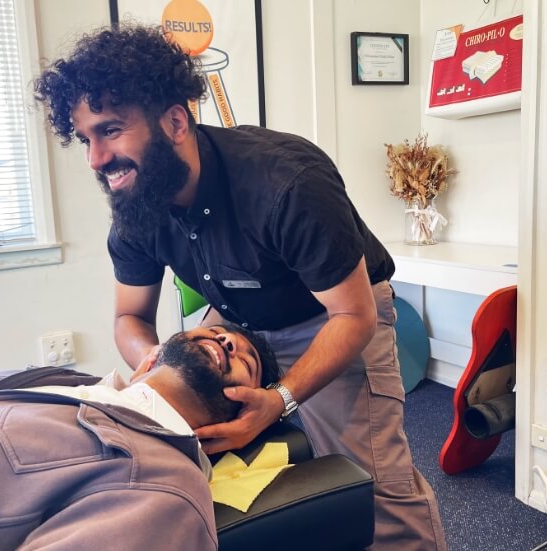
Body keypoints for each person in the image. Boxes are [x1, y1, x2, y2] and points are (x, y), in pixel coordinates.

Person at [33, 24, 446, 550]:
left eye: (111, 131)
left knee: (372, 482)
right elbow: (129, 319)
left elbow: (354, 316)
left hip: (331, 314)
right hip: (236, 317)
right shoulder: (137, 207)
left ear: (176, 121)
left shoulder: (286, 183)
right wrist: (160, 364)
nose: (95, 159)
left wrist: (280, 398)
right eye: (86, 138)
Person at [0, 325, 279, 550]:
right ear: (150, 358)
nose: (227, 342)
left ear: (243, 420)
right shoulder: (65, 382)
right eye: (215, 331)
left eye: (246, 363)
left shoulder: (162, 490)